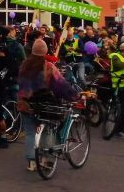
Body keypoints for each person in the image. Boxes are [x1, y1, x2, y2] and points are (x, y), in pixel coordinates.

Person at [17, 39, 78, 171]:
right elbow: (61, 85)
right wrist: (74, 96)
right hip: (44, 106)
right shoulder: (48, 66)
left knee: (30, 133)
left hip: (25, 104)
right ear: (45, 52)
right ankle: (45, 159)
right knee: (48, 130)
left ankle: (31, 162)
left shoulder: (24, 66)